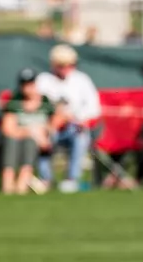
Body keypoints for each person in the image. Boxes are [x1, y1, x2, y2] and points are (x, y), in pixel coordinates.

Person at [34, 45, 101, 192]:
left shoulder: (82, 80)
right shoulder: (43, 80)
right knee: (42, 137)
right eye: (61, 65)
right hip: (49, 127)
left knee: (80, 137)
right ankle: (45, 179)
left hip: (73, 128)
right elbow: (37, 106)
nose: (66, 69)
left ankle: (72, 179)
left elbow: (94, 108)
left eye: (70, 65)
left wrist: (76, 118)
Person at [0, 69, 58, 195]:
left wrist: (45, 133)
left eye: (30, 84)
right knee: (12, 142)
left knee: (29, 143)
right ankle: (8, 183)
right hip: (17, 138)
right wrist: (31, 131)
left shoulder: (45, 101)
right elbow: (8, 129)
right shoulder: (15, 101)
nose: (28, 88)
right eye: (24, 84)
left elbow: (54, 122)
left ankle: (22, 184)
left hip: (38, 141)